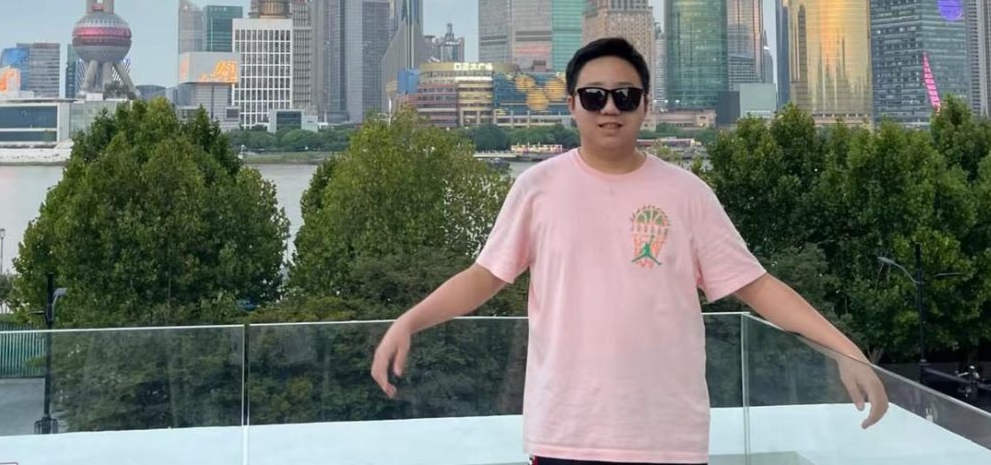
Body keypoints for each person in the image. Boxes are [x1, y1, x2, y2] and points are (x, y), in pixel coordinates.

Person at [371, 37, 888, 464]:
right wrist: (408, 322)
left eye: (625, 95)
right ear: (571, 103)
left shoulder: (687, 194)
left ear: (645, 104)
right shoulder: (537, 187)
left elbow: (757, 286)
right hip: (565, 431)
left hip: (668, 438)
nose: (610, 108)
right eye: (594, 96)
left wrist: (844, 350)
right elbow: (485, 276)